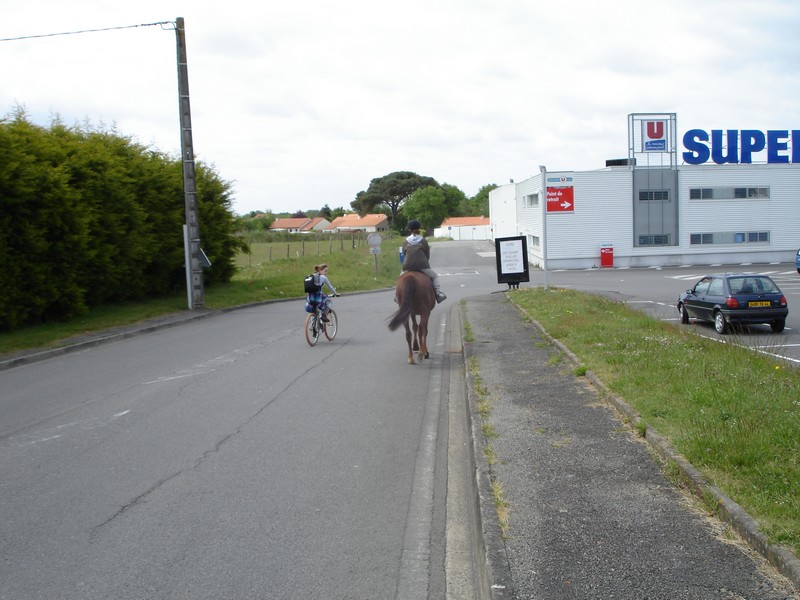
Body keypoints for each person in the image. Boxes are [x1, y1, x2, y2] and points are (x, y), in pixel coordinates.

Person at [401, 220, 446, 303]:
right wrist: (424, 262)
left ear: (409, 230)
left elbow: (404, 254)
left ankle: (398, 296)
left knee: (400, 279)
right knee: (435, 277)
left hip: (407, 266)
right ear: (419, 229)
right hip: (422, 265)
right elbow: (427, 255)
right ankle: (438, 294)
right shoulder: (423, 241)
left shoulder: (405, 241)